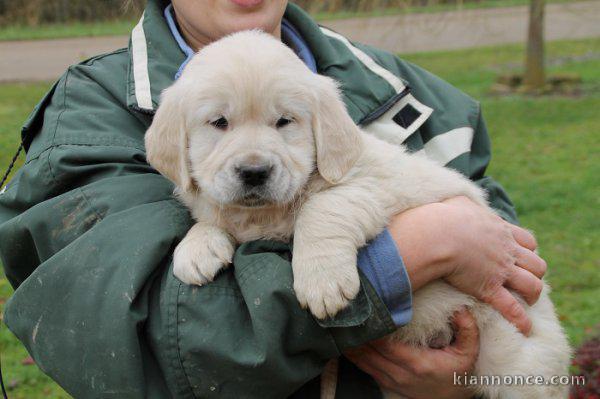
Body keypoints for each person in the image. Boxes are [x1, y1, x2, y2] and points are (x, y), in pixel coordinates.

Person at [0, 0, 547, 397]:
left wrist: (465, 385)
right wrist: (424, 247)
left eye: (284, 122)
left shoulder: (401, 88)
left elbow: (511, 269)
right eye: (219, 123)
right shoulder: (91, 114)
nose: (254, 157)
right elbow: (150, 339)